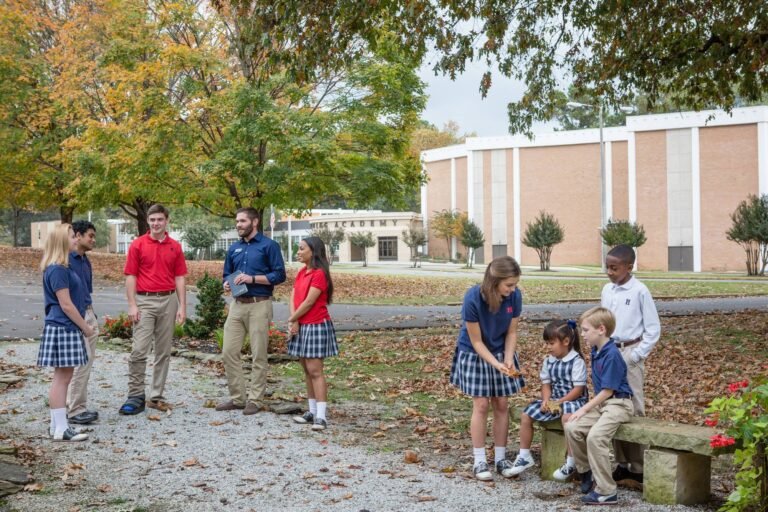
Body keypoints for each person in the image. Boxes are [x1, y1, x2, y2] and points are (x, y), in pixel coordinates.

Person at [449, 256, 525, 481]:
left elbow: (511, 332)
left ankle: (501, 458)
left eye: (515, 285)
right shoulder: (473, 298)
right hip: (475, 352)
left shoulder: (515, 297)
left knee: (501, 402)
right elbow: (476, 341)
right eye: (509, 285)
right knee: (481, 404)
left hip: (502, 349)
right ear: (494, 282)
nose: (513, 290)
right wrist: (495, 364)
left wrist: (508, 359)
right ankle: (479, 459)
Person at [216, 207, 286, 415]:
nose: (238, 225)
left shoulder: (269, 246)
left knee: (258, 354)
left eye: (242, 221)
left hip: (259, 304)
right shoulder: (234, 248)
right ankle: (238, 398)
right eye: (237, 221)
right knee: (228, 352)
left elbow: (280, 275)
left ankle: (255, 400)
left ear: (254, 222)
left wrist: (252, 279)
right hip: (237, 305)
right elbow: (227, 274)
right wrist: (226, 285)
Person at [119, 204, 187, 415]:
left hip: (168, 300)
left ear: (166, 221)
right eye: (152, 220)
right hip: (144, 301)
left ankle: (156, 396)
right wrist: (132, 304)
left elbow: (180, 278)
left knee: (163, 352)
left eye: (160, 219)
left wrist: (182, 306)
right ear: (148, 222)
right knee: (139, 350)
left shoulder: (175, 247)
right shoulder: (138, 245)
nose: (156, 223)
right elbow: (131, 275)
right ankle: (135, 395)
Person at [601, 244, 660, 484]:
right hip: (610, 352)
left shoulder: (640, 291)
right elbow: (602, 320)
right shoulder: (607, 289)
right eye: (607, 267)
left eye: (614, 268)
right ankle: (622, 463)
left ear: (629, 267)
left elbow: (653, 328)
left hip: (630, 351)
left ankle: (639, 466)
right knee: (612, 405)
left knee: (634, 406)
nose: (609, 272)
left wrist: (637, 355)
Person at [564, 307, 634, 506]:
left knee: (596, 437)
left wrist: (583, 408)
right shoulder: (597, 350)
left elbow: (608, 391)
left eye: (585, 330)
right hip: (604, 405)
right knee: (572, 427)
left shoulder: (611, 354)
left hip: (619, 404)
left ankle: (606, 491)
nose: (583, 334)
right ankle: (586, 472)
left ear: (601, 329)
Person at [507, 319, 588, 478]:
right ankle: (524, 456)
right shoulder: (548, 361)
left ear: (566, 341)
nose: (548, 347)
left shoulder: (576, 361)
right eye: (547, 343)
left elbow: (578, 390)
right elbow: (546, 385)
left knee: (567, 418)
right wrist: (546, 400)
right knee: (526, 414)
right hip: (554, 400)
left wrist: (558, 402)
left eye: (551, 343)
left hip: (573, 400)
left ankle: (571, 462)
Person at [38, 224, 95, 441]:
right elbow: (66, 304)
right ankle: (61, 428)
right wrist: (85, 327)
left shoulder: (62, 266)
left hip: (65, 326)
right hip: (64, 326)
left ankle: (57, 426)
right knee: (62, 378)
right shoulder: (58, 269)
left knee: (63, 377)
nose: (75, 238)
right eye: (72, 236)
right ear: (62, 240)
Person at [288, 237, 338, 431]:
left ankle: (321, 416)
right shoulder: (302, 272)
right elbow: (293, 296)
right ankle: (310, 411)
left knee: (315, 371)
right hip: (301, 324)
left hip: (316, 325)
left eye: (301, 249)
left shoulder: (319, 274)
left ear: (313, 251)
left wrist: (293, 320)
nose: (298, 252)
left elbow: (309, 302)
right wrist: (295, 320)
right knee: (306, 371)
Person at [66, 220, 100, 425]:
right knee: (79, 363)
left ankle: (74, 405)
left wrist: (92, 316)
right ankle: (74, 410)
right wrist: (82, 323)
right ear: (77, 236)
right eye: (90, 236)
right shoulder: (65, 262)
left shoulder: (85, 260)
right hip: (76, 318)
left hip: (88, 314)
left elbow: (86, 292)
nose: (93, 240)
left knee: (85, 364)